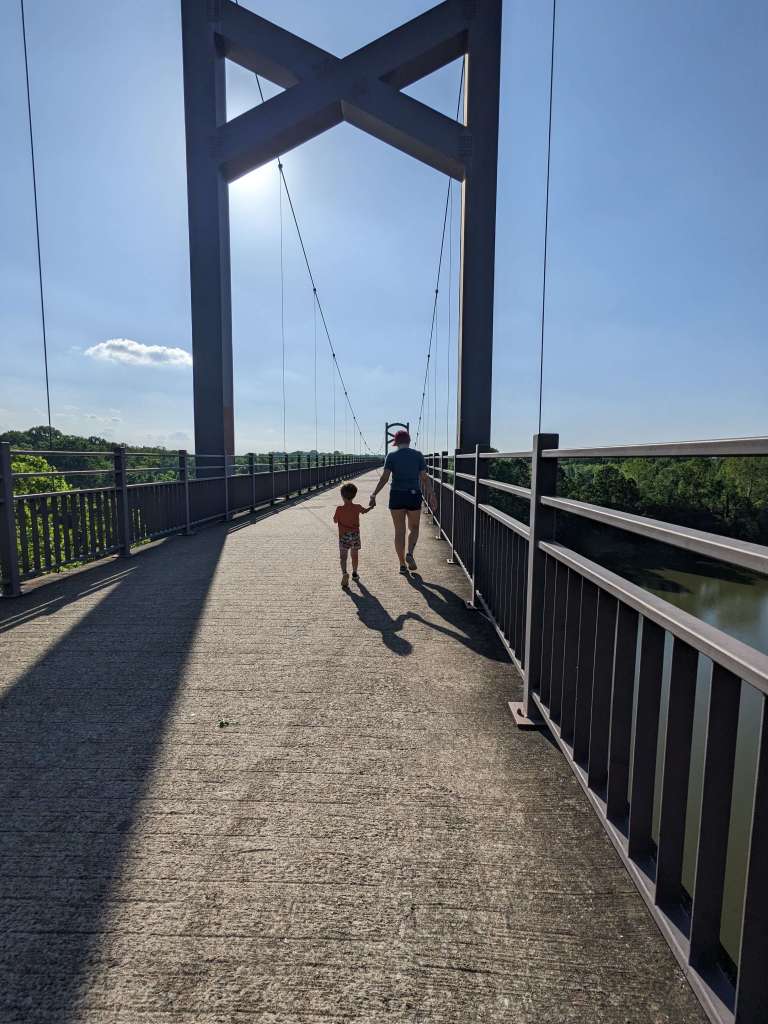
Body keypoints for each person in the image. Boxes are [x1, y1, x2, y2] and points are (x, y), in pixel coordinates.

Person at [368, 429, 435, 574]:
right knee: (414, 527)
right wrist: (432, 494)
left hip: (396, 495)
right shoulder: (418, 455)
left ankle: (402, 565)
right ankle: (409, 553)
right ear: (409, 441)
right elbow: (424, 477)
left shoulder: (391, 456)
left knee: (399, 531)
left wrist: (374, 494)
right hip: (413, 494)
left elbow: (384, 478)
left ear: (396, 443)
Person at [333, 481, 372, 589]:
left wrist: (338, 518)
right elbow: (365, 511)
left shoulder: (339, 509)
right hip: (355, 535)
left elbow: (335, 521)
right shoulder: (357, 507)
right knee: (354, 555)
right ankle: (354, 573)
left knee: (343, 557)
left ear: (342, 496)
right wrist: (371, 507)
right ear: (354, 495)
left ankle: (345, 573)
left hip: (343, 536)